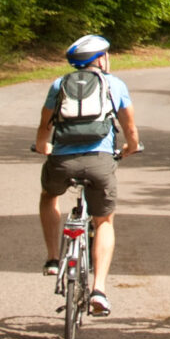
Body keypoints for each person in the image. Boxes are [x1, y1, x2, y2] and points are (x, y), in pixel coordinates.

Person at [34, 33, 140, 318]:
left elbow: (45, 126)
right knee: (103, 220)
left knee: (48, 196)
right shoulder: (114, 84)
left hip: (62, 161)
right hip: (100, 163)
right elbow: (129, 129)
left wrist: (43, 146)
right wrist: (131, 148)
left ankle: (54, 259)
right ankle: (99, 290)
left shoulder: (60, 84)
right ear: (100, 58)